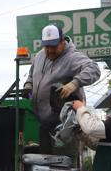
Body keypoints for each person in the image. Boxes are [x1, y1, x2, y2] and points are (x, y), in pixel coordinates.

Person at [22, 24, 100, 156]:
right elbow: (31, 74)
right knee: (45, 167)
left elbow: (94, 69)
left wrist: (75, 83)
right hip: (44, 124)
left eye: (53, 46)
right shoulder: (40, 56)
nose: (49, 51)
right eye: (47, 46)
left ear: (63, 41)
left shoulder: (73, 57)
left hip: (65, 127)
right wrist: (28, 85)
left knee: (64, 167)